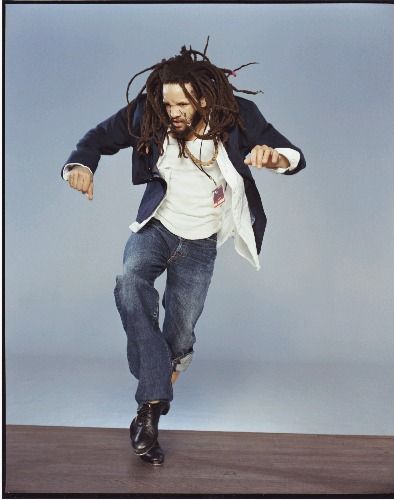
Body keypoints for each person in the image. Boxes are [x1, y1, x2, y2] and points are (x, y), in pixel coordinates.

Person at [61, 40, 306, 466]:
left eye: (181, 104)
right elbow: (98, 137)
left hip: (200, 243)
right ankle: (150, 410)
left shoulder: (237, 117)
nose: (171, 111)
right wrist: (80, 165)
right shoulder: (149, 113)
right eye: (166, 102)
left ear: (203, 99)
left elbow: (292, 154)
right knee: (129, 281)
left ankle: (156, 389)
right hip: (157, 227)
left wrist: (276, 159)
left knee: (177, 339)